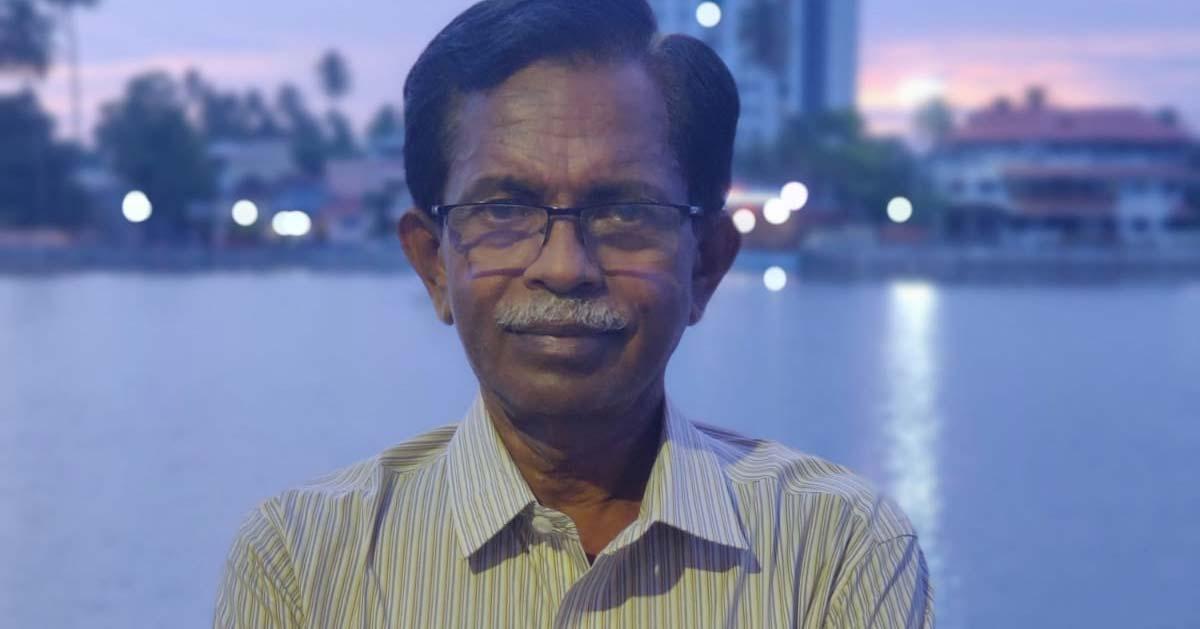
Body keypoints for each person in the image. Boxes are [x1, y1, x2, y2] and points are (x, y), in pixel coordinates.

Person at [213, 0, 934, 626]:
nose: (563, 268)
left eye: (624, 211)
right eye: (505, 209)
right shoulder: (306, 564)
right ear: (433, 262)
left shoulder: (834, 551)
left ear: (706, 264)